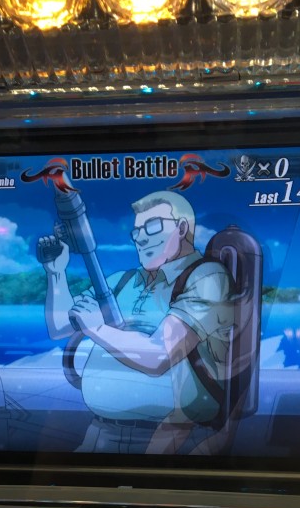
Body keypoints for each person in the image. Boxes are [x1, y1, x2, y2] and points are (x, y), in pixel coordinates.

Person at [40, 190, 234, 454]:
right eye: (137, 231)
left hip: (171, 440)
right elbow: (59, 327)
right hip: (100, 434)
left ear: (181, 228)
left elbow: (159, 357)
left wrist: (97, 328)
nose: (140, 238)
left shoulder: (206, 277)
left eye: (152, 227)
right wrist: (56, 273)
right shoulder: (123, 281)